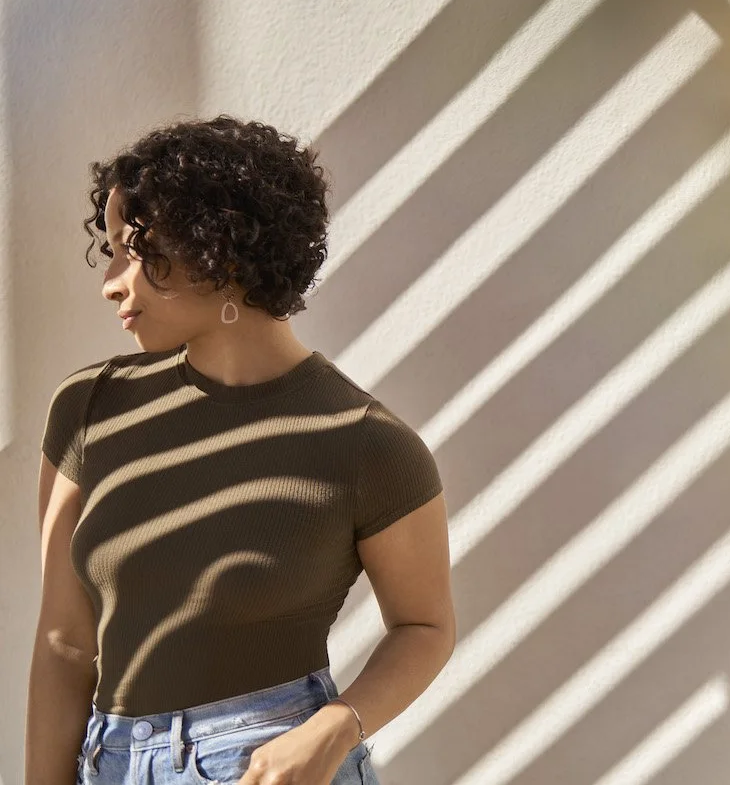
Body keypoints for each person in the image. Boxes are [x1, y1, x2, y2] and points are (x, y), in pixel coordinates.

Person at [27, 115, 456, 785]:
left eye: (134, 251)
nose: (111, 280)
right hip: (109, 763)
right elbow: (64, 643)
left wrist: (335, 728)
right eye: (108, 251)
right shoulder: (89, 407)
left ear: (217, 248)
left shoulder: (367, 443)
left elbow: (425, 626)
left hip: (269, 763)